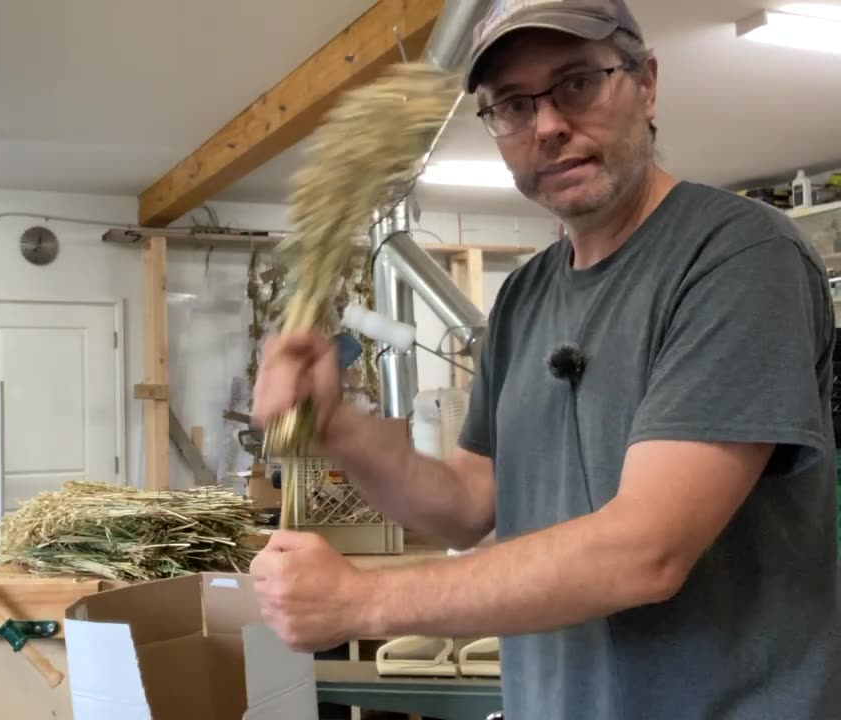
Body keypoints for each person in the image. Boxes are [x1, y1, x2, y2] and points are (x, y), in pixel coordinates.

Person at [249, 1, 841, 718]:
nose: (549, 125)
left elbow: (647, 551)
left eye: (578, 84)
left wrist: (363, 600)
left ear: (646, 83)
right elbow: (467, 504)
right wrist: (339, 425)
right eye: (513, 105)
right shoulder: (524, 296)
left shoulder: (739, 257)